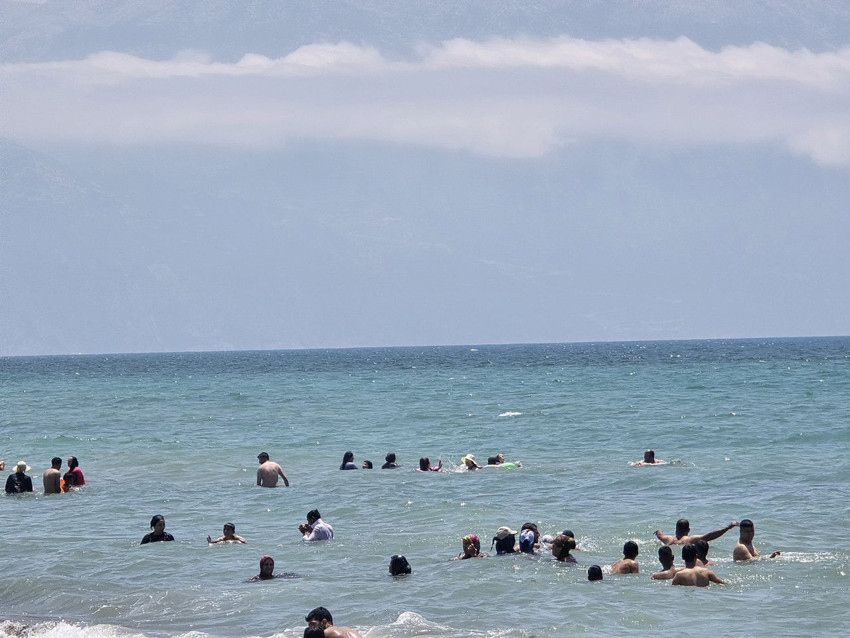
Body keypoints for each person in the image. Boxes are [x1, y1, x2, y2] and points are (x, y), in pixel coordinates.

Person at [655, 519, 738, 545]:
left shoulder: (669, 539)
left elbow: (660, 535)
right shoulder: (690, 539)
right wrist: (728, 527)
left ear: (676, 530)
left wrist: (659, 530)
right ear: (688, 530)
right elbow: (709, 536)